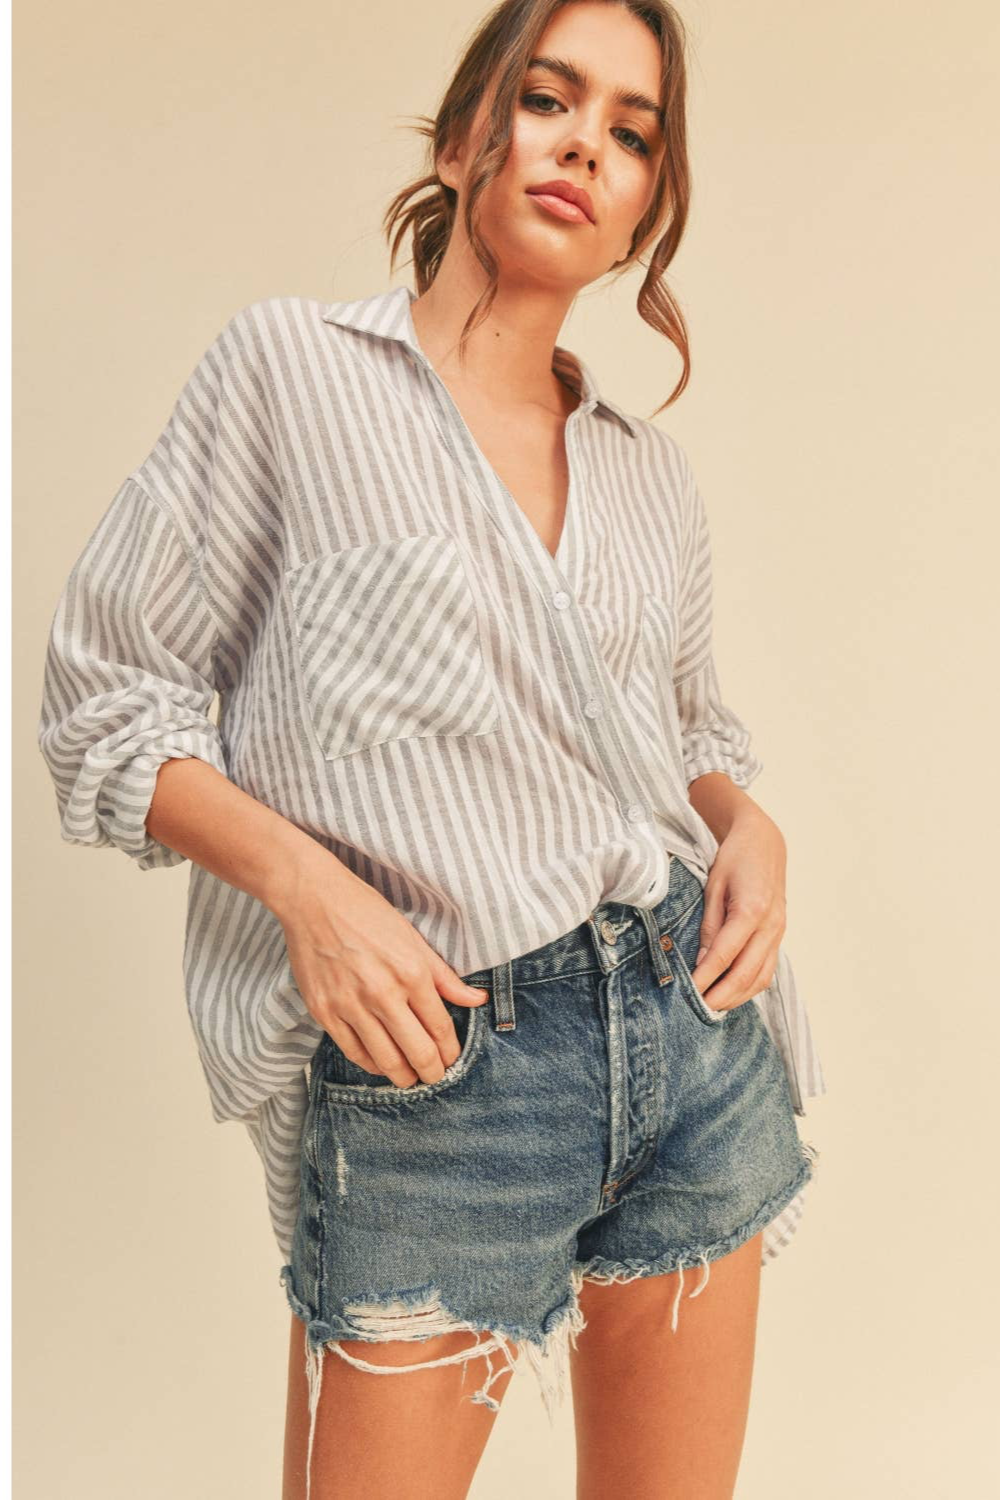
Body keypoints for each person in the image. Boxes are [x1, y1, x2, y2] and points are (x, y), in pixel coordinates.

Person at [36, 1, 827, 1496]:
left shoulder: (649, 476)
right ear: (466, 137)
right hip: (442, 1065)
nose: (585, 145)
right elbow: (106, 700)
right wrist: (313, 894)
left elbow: (682, 739)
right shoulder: (289, 375)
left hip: (692, 1036)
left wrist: (751, 827)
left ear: (645, 210)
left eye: (632, 134)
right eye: (550, 99)